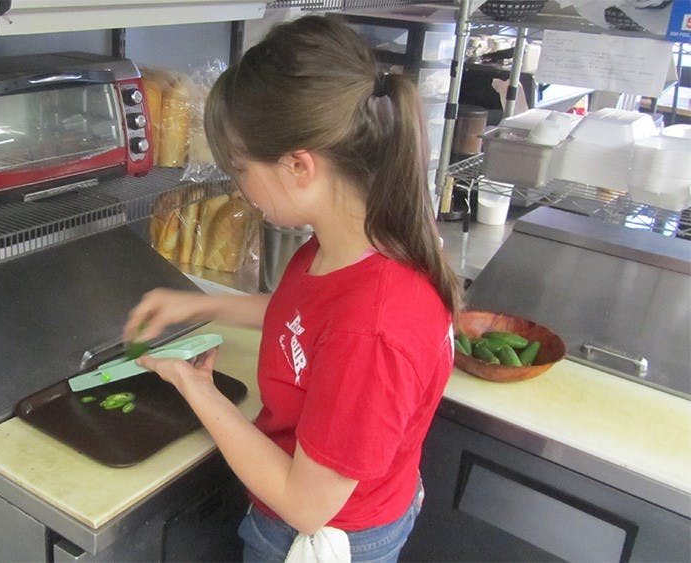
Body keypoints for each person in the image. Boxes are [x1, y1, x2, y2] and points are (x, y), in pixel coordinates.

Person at [125, 15, 461, 563]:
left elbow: (307, 505)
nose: (239, 187)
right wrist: (202, 303)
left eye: (239, 169)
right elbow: (308, 318)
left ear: (298, 165)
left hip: (317, 535)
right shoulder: (344, 242)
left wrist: (197, 390)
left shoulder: (373, 327)